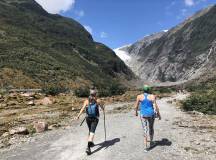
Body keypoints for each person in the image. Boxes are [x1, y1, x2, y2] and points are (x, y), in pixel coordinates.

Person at [76, 87, 104, 155]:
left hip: (87, 118)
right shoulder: (98, 100)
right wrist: (103, 109)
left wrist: (78, 116)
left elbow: (82, 109)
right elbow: (102, 107)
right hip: (95, 119)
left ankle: (91, 142)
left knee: (90, 131)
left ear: (90, 93)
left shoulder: (86, 101)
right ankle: (88, 147)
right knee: (92, 132)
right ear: (95, 93)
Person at [135, 84, 161, 152]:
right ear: (149, 90)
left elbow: (136, 106)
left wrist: (136, 112)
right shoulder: (152, 96)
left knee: (145, 129)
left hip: (143, 114)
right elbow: (156, 107)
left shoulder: (139, 96)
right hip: (151, 114)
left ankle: (146, 147)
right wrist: (159, 114)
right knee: (151, 128)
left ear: (143, 90)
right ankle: (151, 142)